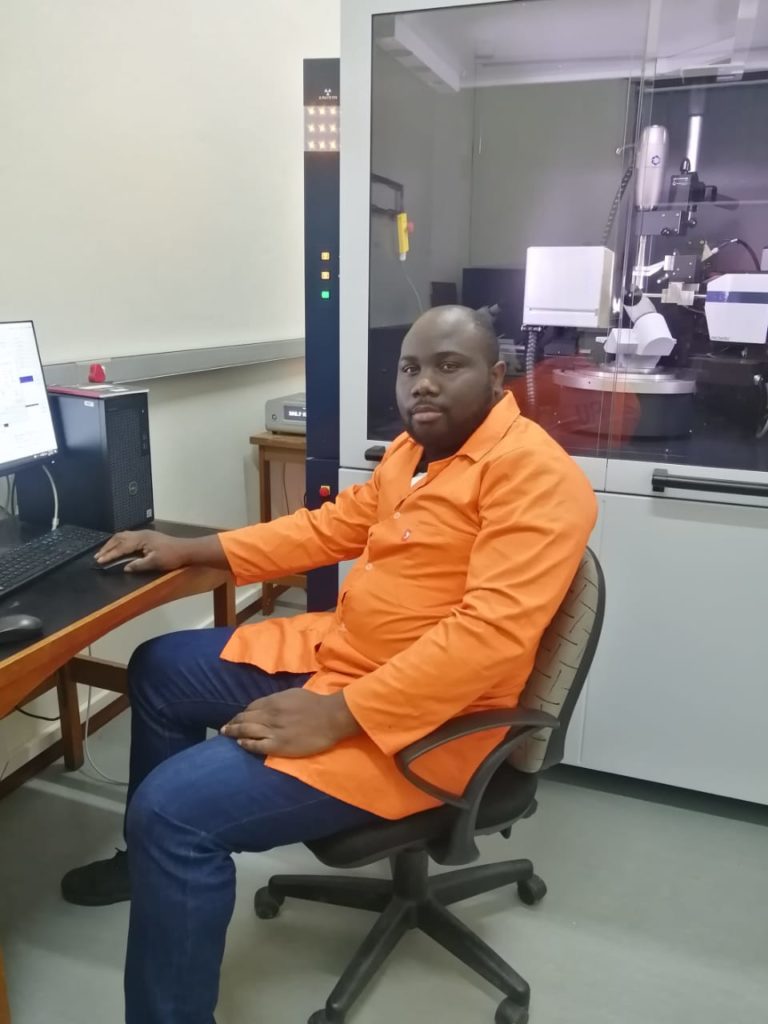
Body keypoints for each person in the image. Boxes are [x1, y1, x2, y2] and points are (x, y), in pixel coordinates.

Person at [61, 305, 596, 1023]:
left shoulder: (536, 477)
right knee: (159, 667)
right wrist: (198, 548)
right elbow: (328, 528)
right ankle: (147, 868)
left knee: (175, 812)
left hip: (424, 723)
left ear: (499, 377)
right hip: (344, 658)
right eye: (410, 369)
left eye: (448, 366)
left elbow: (487, 641)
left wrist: (340, 714)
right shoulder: (412, 453)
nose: (423, 386)